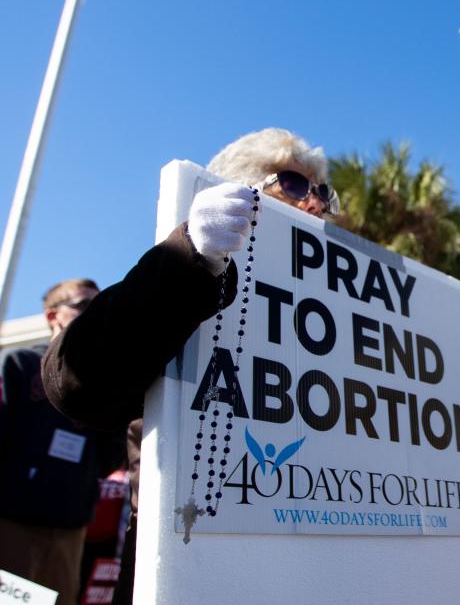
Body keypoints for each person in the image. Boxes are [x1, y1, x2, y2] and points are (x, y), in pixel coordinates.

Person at [41, 129, 341, 605]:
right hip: (190, 561)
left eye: (322, 192)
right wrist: (191, 258)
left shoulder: (327, 322)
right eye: (295, 185)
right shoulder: (181, 281)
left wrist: (452, 458)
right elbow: (77, 383)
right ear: (238, 192)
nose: (315, 204)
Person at [0, 279, 122, 604]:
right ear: (54, 316)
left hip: (71, 528)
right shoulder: (19, 364)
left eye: (99, 305)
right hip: (13, 523)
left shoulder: (101, 382)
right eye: (82, 305)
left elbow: (110, 457)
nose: (93, 312)